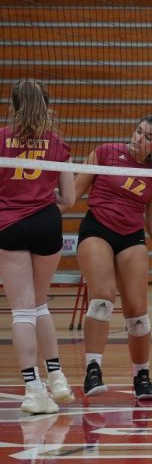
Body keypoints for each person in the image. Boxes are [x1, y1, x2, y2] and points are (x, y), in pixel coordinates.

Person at [72, 114, 152, 403]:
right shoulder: (104, 153)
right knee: (102, 299)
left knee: (138, 314)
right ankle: (93, 369)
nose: (139, 138)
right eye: (138, 132)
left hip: (131, 237)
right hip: (97, 229)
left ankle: (142, 376)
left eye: (147, 136)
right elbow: (72, 195)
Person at [0, 79, 76, 414]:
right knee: (40, 304)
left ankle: (33, 389)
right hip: (47, 223)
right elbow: (70, 199)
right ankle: (57, 377)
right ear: (46, 104)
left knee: (23, 310)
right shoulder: (57, 143)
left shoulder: (1, 140)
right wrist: (44, 201)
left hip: (10, 225)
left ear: (14, 105)